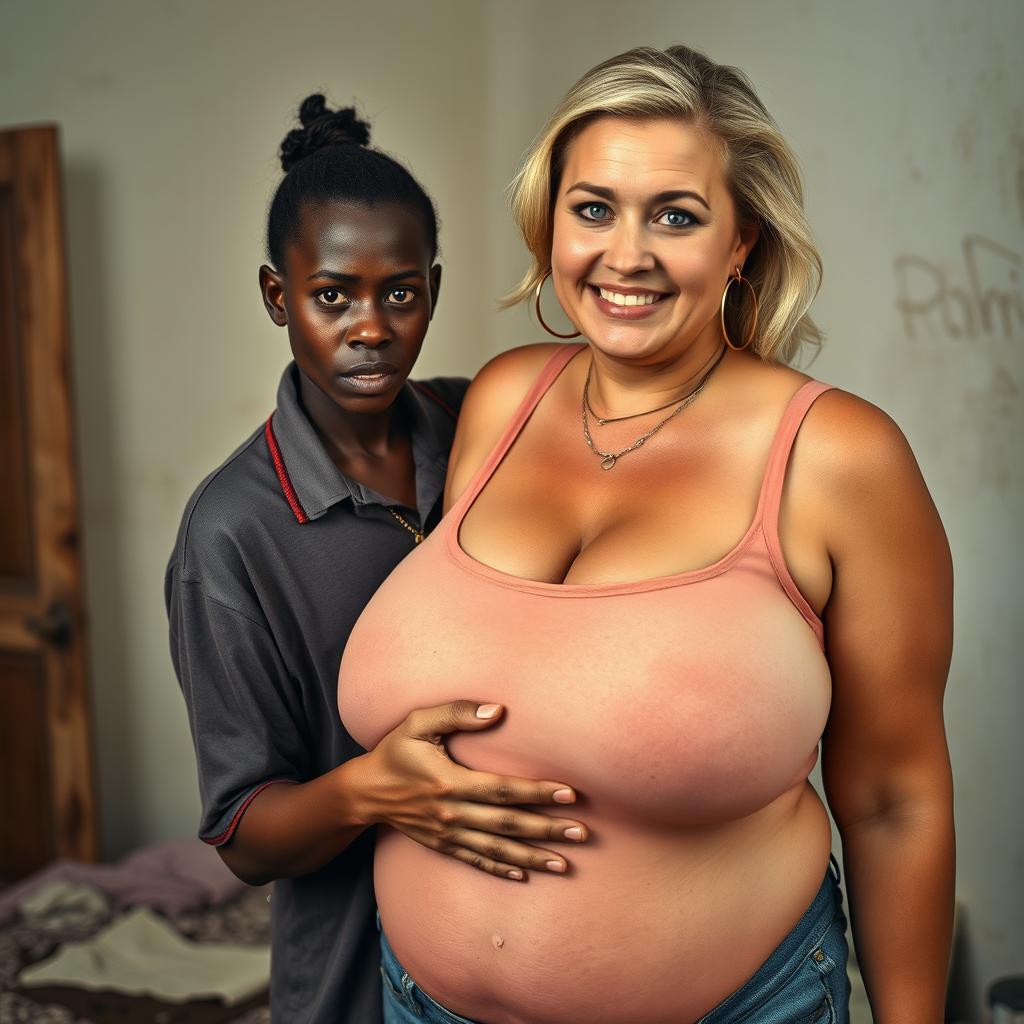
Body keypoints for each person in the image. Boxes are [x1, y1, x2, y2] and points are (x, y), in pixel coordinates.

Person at [338, 45, 955, 1024]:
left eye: (675, 214)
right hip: (423, 1001)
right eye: (593, 209)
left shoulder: (838, 456)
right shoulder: (503, 399)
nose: (625, 254)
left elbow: (893, 796)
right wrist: (376, 783)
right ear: (550, 226)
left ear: (741, 241)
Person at [166, 94, 590, 1024]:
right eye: (332, 297)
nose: (371, 326)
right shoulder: (231, 534)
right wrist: (379, 791)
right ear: (279, 296)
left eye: (400, 292)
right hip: (359, 979)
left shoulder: (482, 426)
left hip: (533, 962)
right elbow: (243, 831)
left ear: (432, 288)